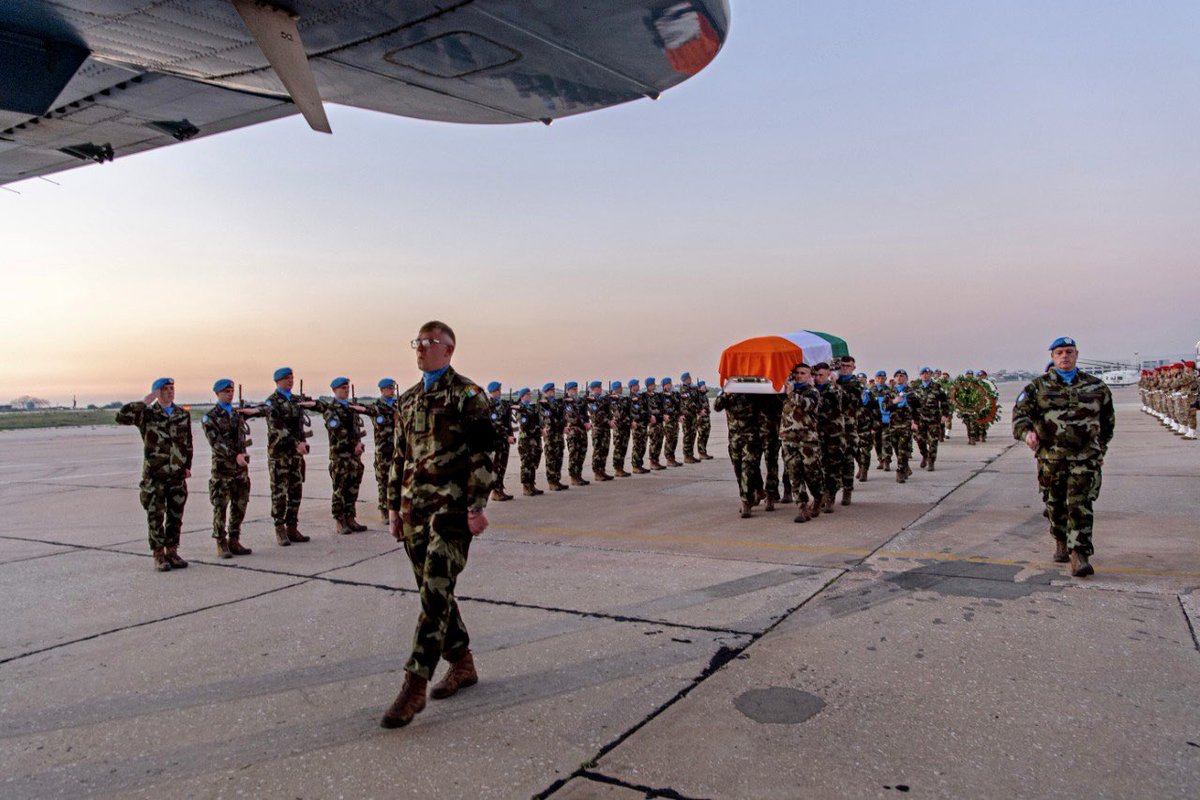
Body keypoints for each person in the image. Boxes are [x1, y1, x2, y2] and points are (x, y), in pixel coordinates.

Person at [381, 321, 496, 729]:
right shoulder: (408, 400)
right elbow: (398, 457)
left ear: (448, 351)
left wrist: (476, 506)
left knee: (435, 591)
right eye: (417, 343)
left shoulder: (468, 395)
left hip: (452, 511)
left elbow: (484, 454)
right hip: (414, 510)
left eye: (429, 344)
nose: (420, 350)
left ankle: (414, 685)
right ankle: (462, 663)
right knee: (433, 591)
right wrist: (393, 508)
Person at [1012, 337, 1114, 577]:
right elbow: (1020, 417)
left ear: (1077, 354)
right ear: (1052, 357)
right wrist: (1027, 434)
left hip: (1085, 458)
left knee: (1081, 505)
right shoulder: (1037, 388)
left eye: (1069, 352)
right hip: (1051, 459)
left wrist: (1100, 449)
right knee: (1055, 504)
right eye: (1060, 352)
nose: (1065, 356)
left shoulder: (1096, 387)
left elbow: (1107, 423)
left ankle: (1079, 553)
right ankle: (1060, 539)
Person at [116, 377, 193, 571]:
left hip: (176, 474)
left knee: (176, 515)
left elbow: (188, 443)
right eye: (165, 389)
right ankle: (159, 554)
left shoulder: (181, 414)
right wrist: (145, 401)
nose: (170, 392)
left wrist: (187, 465)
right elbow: (121, 417)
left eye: (172, 388)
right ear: (157, 392)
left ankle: (172, 551)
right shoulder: (147, 414)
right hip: (155, 475)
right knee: (155, 516)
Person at [201, 378, 259, 558]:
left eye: (231, 391)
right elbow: (216, 443)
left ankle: (234, 539)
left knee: (240, 505)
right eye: (226, 391)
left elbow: (268, 409)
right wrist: (235, 456)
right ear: (217, 394)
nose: (230, 394)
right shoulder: (210, 417)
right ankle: (221, 542)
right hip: (223, 470)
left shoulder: (237, 413)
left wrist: (254, 410)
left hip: (240, 470)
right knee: (221, 506)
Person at [264, 367, 318, 545]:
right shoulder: (272, 402)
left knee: (296, 491)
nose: (290, 381)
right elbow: (277, 428)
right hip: (280, 455)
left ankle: (292, 527)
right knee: (279, 493)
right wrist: (297, 443)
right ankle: (280, 528)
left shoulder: (296, 401)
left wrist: (301, 444)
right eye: (286, 378)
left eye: (292, 378)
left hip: (296, 456)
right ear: (278, 381)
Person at [315, 377, 371, 535]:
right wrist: (355, 444)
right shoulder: (331, 409)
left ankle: (350, 517)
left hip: (354, 456)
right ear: (334, 391)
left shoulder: (351, 408)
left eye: (347, 388)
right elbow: (338, 431)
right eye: (342, 388)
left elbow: (356, 429)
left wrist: (358, 444)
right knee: (340, 488)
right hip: (340, 456)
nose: (345, 390)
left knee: (353, 488)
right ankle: (340, 520)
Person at [780, 363, 824, 523]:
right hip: (788, 439)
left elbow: (808, 405)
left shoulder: (812, 392)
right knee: (794, 475)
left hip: (807, 441)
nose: (799, 376)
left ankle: (818, 496)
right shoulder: (786, 391)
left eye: (803, 373)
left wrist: (791, 394)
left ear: (809, 375)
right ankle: (802, 507)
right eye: (797, 373)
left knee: (812, 474)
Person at [714, 385, 762, 517]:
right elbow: (717, 406)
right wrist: (727, 393)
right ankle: (754, 491)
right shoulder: (727, 392)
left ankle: (746, 502)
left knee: (748, 468)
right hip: (734, 439)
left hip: (750, 437)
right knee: (738, 470)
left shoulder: (752, 391)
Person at [813, 363, 847, 511]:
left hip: (833, 435)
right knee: (817, 468)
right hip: (816, 434)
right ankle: (820, 496)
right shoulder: (811, 389)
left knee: (832, 467)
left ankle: (830, 497)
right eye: (815, 375)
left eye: (821, 375)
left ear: (828, 375)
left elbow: (824, 403)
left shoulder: (834, 389)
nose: (817, 378)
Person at [835, 357, 865, 504]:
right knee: (831, 462)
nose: (845, 368)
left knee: (847, 460)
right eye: (843, 365)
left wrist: (833, 384)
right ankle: (830, 493)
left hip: (848, 429)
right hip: (832, 429)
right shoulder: (832, 381)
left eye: (848, 366)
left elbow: (849, 399)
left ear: (854, 368)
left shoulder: (856, 384)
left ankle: (847, 490)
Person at [909, 367, 950, 471]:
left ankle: (931, 461)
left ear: (931, 375)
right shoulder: (916, 389)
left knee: (933, 441)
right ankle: (925, 455)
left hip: (933, 419)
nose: (925, 375)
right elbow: (912, 406)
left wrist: (945, 415)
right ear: (920, 376)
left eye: (927, 373)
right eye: (923, 374)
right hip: (920, 419)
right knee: (919, 440)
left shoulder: (937, 388)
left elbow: (944, 402)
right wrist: (913, 420)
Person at [370, 379, 400, 522]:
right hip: (383, 449)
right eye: (388, 388)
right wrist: (394, 421)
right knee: (383, 481)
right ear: (381, 390)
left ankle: (395, 508)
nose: (391, 391)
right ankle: (384, 510)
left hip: (397, 448)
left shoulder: (396, 405)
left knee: (397, 479)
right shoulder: (377, 407)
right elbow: (380, 425)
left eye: (392, 388)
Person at [887, 369, 920, 483]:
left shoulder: (911, 392)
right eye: (897, 376)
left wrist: (916, 422)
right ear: (894, 379)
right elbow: (884, 406)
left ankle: (900, 472)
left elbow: (917, 408)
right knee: (896, 448)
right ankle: (906, 466)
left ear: (906, 378)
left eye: (902, 376)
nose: (899, 378)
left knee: (903, 448)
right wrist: (894, 402)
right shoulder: (890, 392)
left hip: (906, 424)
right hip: (893, 424)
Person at [485, 382, 516, 500]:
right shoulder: (490, 405)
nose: (500, 392)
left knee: (503, 465)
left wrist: (511, 435)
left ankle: (500, 489)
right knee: (496, 466)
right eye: (498, 390)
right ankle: (495, 491)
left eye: (500, 389)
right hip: (497, 440)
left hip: (505, 440)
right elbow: (496, 423)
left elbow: (508, 422)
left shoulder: (502, 404)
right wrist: (506, 436)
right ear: (492, 391)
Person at [540, 383, 569, 491]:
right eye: (551, 390)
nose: (553, 391)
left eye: (553, 390)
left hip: (558, 435)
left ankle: (557, 480)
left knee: (559, 458)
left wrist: (561, 423)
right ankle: (552, 482)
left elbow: (563, 416)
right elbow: (549, 419)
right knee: (551, 459)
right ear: (546, 392)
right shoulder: (543, 404)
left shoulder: (557, 403)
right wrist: (560, 422)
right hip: (551, 435)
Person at [516, 387, 545, 495]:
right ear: (522, 396)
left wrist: (540, 428)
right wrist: (539, 430)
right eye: (527, 394)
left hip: (535, 440)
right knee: (526, 463)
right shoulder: (521, 408)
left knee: (533, 463)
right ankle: (526, 486)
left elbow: (538, 420)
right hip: (526, 441)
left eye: (530, 394)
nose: (529, 396)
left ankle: (532, 484)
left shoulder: (532, 408)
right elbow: (525, 425)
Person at [563, 381, 591, 485]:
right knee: (574, 454)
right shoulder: (567, 403)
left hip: (582, 431)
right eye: (573, 389)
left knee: (581, 454)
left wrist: (587, 422)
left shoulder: (579, 401)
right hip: (574, 431)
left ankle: (578, 475)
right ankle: (573, 477)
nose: (575, 391)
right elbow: (572, 416)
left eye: (576, 389)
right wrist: (584, 423)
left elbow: (584, 413)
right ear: (568, 390)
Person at [868, 371, 895, 470]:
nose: (880, 380)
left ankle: (887, 461)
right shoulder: (870, 390)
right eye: (878, 378)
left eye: (883, 378)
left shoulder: (890, 390)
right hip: (875, 420)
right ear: (875, 379)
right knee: (877, 441)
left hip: (886, 420)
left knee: (886, 441)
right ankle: (880, 460)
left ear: (885, 379)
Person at [588, 380, 614, 481]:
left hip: (605, 429)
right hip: (598, 429)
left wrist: (611, 419)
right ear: (593, 389)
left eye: (600, 387)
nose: (600, 389)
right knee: (598, 451)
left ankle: (602, 470)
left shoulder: (602, 399)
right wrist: (608, 421)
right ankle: (597, 472)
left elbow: (608, 411)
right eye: (598, 388)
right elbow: (597, 414)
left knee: (604, 450)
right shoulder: (591, 400)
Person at [608, 381, 633, 477]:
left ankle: (621, 468)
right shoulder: (612, 400)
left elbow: (628, 411)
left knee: (623, 448)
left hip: (625, 427)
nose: (622, 388)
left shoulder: (622, 398)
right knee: (618, 448)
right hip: (619, 428)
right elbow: (618, 414)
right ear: (616, 388)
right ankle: (617, 468)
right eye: (620, 387)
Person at [628, 378, 651, 474]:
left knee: (643, 445)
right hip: (638, 425)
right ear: (632, 387)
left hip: (643, 425)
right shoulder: (631, 398)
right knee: (637, 445)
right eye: (637, 385)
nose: (638, 386)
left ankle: (639, 464)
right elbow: (633, 412)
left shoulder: (640, 397)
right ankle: (635, 466)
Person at [660, 377, 683, 467]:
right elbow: (659, 408)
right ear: (664, 385)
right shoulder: (661, 396)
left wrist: (680, 415)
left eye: (670, 383)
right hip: (668, 421)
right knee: (669, 439)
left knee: (675, 439)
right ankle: (669, 459)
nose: (670, 385)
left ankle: (672, 458)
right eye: (668, 384)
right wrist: (663, 416)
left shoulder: (675, 394)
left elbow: (679, 406)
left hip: (675, 420)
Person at [645, 377, 666, 470]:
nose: (654, 385)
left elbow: (662, 405)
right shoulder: (645, 396)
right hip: (653, 424)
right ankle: (652, 462)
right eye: (653, 384)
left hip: (659, 422)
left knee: (659, 442)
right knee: (654, 442)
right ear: (649, 385)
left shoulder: (657, 395)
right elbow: (646, 409)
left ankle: (656, 460)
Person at [679, 372, 700, 463]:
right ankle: (687, 456)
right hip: (687, 415)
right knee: (687, 435)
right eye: (689, 377)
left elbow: (696, 398)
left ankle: (690, 455)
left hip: (693, 415)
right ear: (685, 379)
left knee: (692, 435)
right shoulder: (684, 389)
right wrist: (698, 409)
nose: (690, 378)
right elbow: (688, 402)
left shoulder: (691, 388)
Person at [695, 380, 714, 459]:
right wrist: (699, 411)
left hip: (706, 419)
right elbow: (694, 406)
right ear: (699, 387)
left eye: (705, 386)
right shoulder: (697, 396)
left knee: (706, 435)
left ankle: (704, 451)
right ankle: (701, 453)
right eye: (703, 386)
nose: (705, 387)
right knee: (701, 436)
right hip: (701, 419)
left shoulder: (704, 396)